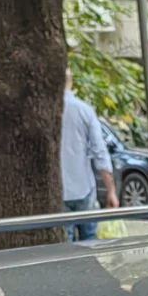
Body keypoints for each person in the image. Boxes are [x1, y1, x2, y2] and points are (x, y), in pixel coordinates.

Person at [61, 70, 117, 240]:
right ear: (71, 83)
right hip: (84, 187)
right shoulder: (85, 110)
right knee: (89, 241)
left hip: (59, 192)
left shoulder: (47, 112)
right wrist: (111, 191)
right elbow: (100, 152)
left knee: (64, 244)